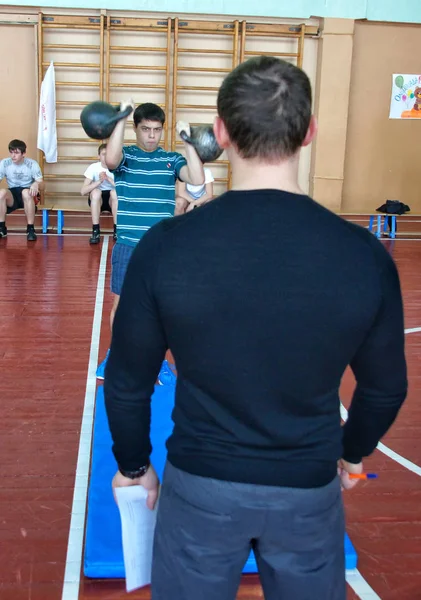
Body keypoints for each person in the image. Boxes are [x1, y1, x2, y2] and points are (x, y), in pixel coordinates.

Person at [104, 57, 407, 600]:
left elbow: (127, 382)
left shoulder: (167, 247)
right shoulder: (363, 255)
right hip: (308, 490)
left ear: (220, 133)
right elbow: (385, 388)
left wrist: (133, 466)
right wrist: (352, 454)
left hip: (199, 488)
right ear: (309, 132)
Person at [95, 101, 204, 379]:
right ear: (136, 129)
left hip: (160, 250)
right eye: (145, 129)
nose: (152, 136)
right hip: (129, 246)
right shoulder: (126, 157)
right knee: (121, 305)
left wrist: (188, 142)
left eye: (157, 130)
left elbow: (197, 179)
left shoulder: (171, 159)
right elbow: (109, 160)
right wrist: (121, 118)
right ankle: (116, 355)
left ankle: (155, 362)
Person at [0, 139, 44, 241]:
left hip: (28, 192)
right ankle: (1, 228)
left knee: (25, 192)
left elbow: (43, 185)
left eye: (16, 153)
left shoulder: (32, 164)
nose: (13, 156)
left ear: (23, 153)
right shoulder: (4, 163)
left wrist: (36, 183)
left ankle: (30, 229)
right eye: (11, 152)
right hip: (13, 194)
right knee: (1, 193)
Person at [81, 143, 118, 244]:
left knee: (115, 192)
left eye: (109, 154)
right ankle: (95, 230)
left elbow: (125, 189)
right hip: (97, 201)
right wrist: (99, 182)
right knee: (96, 192)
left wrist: (109, 180)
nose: (106, 156)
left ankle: (117, 230)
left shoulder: (116, 167)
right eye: (103, 154)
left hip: (113, 201)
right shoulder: (93, 167)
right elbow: (83, 191)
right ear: (98, 156)